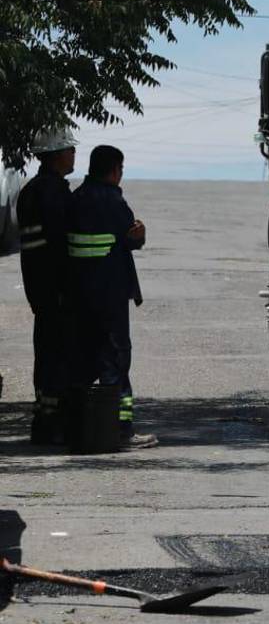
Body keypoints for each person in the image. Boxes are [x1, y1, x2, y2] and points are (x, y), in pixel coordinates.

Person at [67, 145, 156, 449]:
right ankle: (121, 428)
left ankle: (79, 428)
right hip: (111, 295)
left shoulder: (75, 200)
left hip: (79, 296)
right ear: (115, 170)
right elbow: (131, 237)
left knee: (83, 358)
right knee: (117, 359)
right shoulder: (113, 201)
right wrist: (140, 233)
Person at [16, 128, 76, 439]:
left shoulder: (30, 191)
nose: (73, 154)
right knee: (58, 353)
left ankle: (44, 416)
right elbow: (59, 246)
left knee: (46, 351)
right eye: (69, 150)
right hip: (56, 289)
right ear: (55, 155)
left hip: (39, 289)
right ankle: (55, 422)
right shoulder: (52, 193)